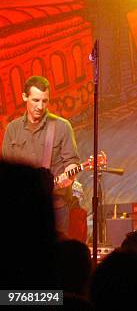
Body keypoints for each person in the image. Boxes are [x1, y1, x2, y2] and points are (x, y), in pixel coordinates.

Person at [2, 76, 79, 234]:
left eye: (45, 101)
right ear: (25, 97)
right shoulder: (12, 129)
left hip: (55, 205)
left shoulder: (62, 127)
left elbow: (71, 161)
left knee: (54, 253)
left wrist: (69, 176)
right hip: (20, 206)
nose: (40, 106)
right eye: (36, 100)